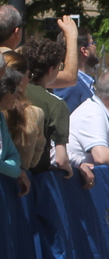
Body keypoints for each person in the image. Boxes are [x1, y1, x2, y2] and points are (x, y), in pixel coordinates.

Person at [21, 38, 72, 178]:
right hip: (37, 178)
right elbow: (61, 159)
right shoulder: (56, 104)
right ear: (50, 70)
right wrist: (69, 169)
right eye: (59, 67)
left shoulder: (12, 93)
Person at [0, 67, 30, 195]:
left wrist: (8, 169)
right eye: (13, 90)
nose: (17, 95)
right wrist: (17, 173)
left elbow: (14, 155)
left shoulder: (1, 118)